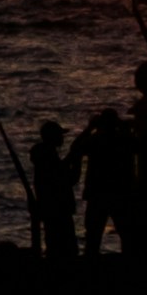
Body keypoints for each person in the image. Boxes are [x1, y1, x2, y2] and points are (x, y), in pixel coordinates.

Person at [80, 107, 136, 258]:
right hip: (120, 192)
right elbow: (137, 144)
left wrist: (90, 128)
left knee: (93, 237)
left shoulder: (96, 140)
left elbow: (77, 148)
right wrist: (124, 127)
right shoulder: (124, 139)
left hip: (97, 193)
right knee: (127, 235)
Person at [25, 119, 77, 260]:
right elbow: (65, 178)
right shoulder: (48, 158)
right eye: (60, 135)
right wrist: (74, 157)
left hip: (53, 211)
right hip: (57, 211)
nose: (62, 138)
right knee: (63, 250)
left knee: (56, 248)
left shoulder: (46, 156)